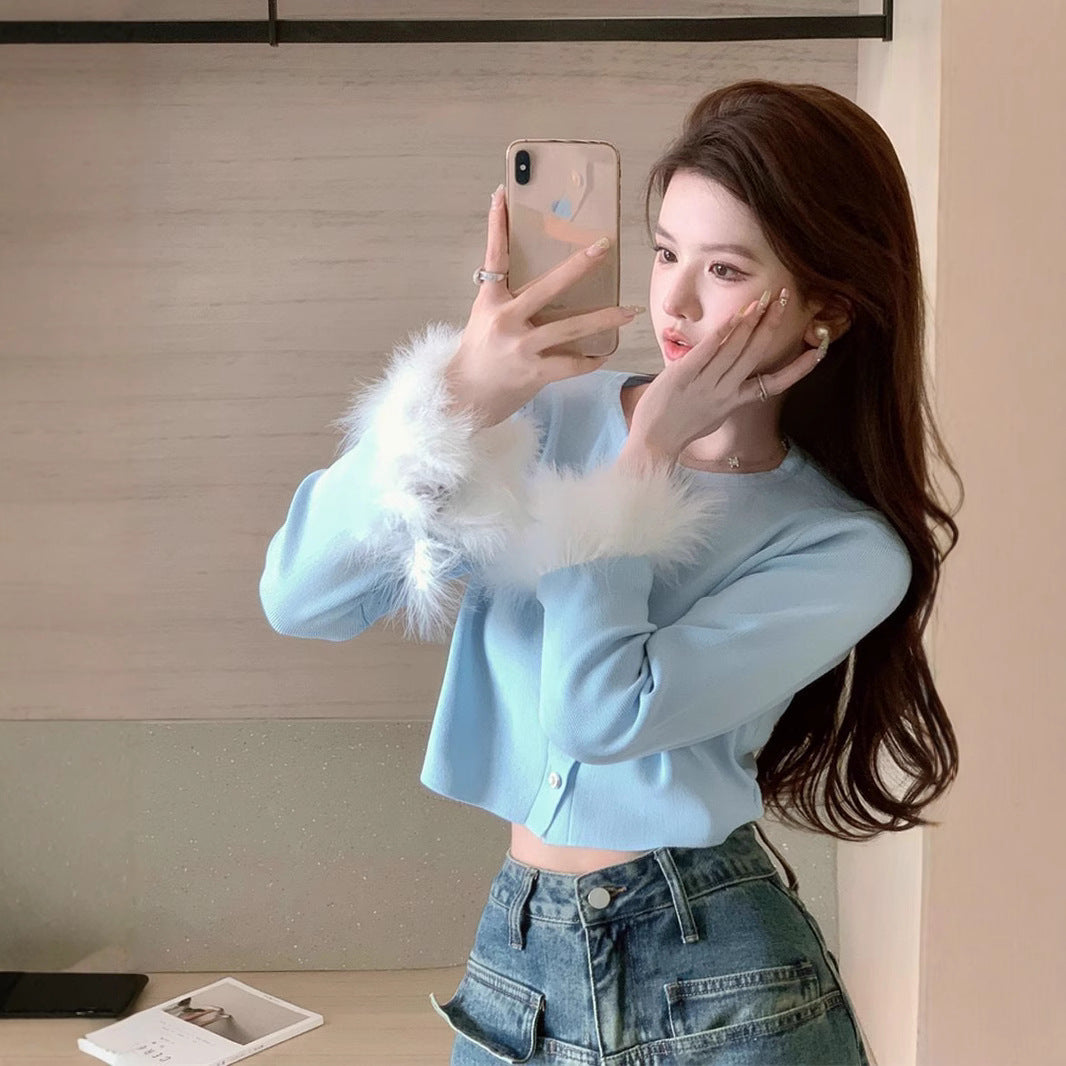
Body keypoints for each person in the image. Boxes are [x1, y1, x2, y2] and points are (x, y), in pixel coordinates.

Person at [259, 79, 960, 1066]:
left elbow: (600, 715)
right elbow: (301, 599)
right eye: (666, 252)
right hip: (519, 962)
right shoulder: (545, 416)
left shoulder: (843, 550)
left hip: (722, 984)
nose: (674, 302)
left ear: (827, 309)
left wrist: (644, 462)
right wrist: (456, 399)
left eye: (724, 269)